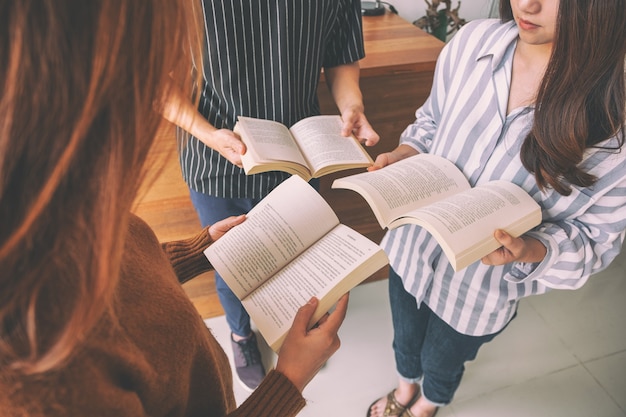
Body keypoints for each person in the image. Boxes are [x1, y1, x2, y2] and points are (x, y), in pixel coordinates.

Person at [0, 1, 350, 416]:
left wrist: (198, 250)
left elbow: (121, 274)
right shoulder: (41, 388)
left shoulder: (60, 204)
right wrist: (288, 382)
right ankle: (244, 337)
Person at [366, 0, 626, 416]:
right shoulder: (470, 43)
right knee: (405, 337)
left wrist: (532, 250)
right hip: (410, 249)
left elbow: (596, 240)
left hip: (480, 290)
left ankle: (426, 406)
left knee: (444, 361)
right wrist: (407, 151)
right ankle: (402, 390)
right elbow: (432, 120)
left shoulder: (612, 123)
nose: (526, 4)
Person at [163, 0, 380, 391]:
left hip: (299, 155)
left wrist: (352, 104)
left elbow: (341, 55)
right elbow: (153, 79)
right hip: (214, 158)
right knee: (231, 266)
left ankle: (289, 334)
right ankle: (242, 335)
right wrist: (207, 133)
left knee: (298, 258)